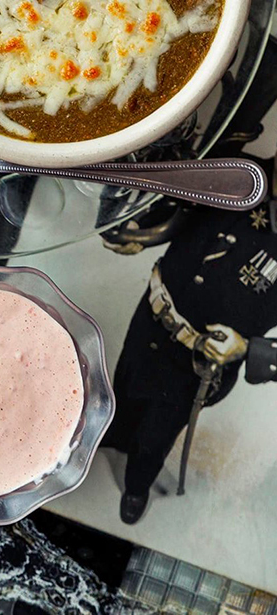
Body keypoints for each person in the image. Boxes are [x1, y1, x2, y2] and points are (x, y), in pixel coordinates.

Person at [101, 44, 277, 525]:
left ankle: (136, 487)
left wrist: (248, 349)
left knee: (158, 432)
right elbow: (183, 207)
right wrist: (144, 231)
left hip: (200, 364)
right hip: (154, 316)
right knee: (128, 386)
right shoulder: (241, 170)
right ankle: (113, 438)